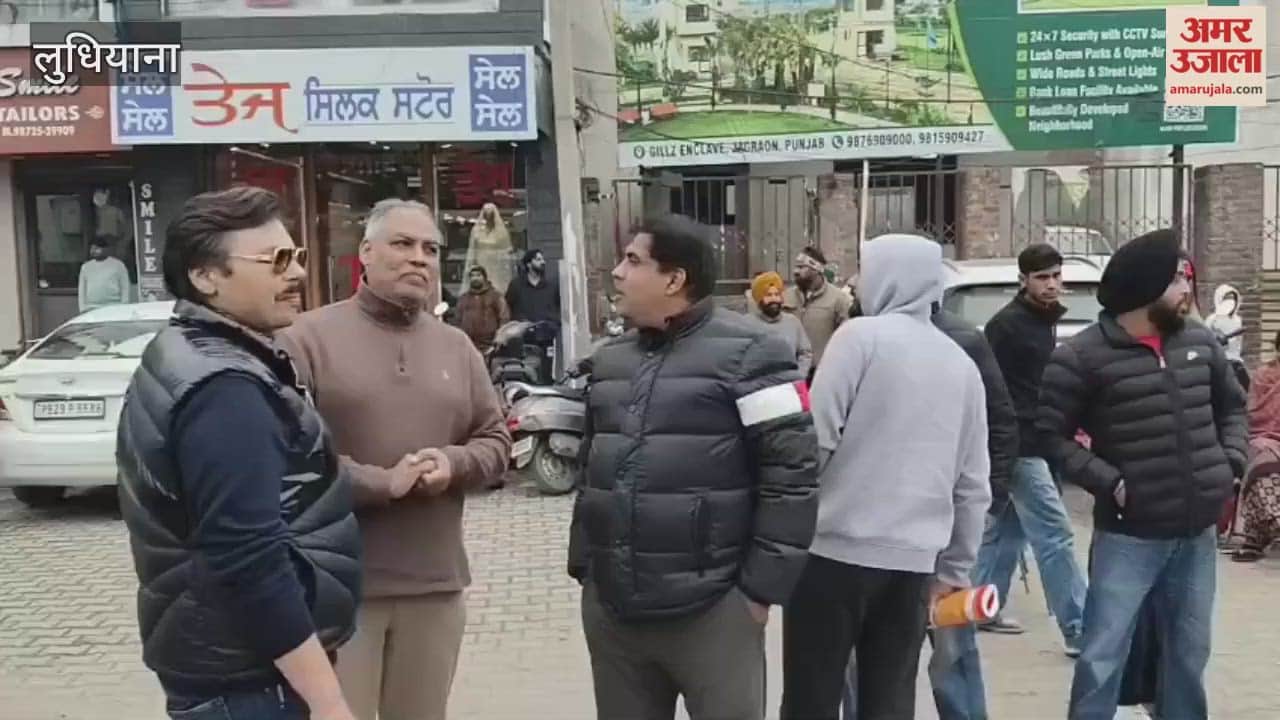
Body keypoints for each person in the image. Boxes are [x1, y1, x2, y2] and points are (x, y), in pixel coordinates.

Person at [116, 186, 361, 720]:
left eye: (296, 257)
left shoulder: (191, 353)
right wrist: (328, 701)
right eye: (274, 261)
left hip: (228, 664)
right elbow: (248, 556)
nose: (296, 273)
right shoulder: (225, 387)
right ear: (206, 276)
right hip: (251, 682)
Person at [568, 214, 819, 720]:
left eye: (633, 261)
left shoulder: (758, 353)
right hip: (615, 612)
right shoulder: (609, 361)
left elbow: (793, 478)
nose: (616, 272)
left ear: (674, 279)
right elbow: (591, 469)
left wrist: (758, 593)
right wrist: (587, 569)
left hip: (714, 610)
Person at [277, 199, 511, 720]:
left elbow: (496, 441)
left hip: (435, 585)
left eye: (430, 249)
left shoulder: (457, 347)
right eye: (402, 245)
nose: (419, 259)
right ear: (365, 252)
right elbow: (287, 456)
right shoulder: (306, 339)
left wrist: (454, 463)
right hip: (338, 588)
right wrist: (380, 483)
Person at [1038, 229, 1248, 720]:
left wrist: (1230, 465)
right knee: (1102, 655)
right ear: (1144, 288)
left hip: (1196, 533)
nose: (1186, 290)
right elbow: (1051, 436)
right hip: (1128, 536)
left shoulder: (1200, 341)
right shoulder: (1080, 357)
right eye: (1176, 279)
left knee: (1188, 653)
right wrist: (1111, 481)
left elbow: (1232, 410)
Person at [782, 234, 990, 720]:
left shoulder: (858, 338)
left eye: (865, 268)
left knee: (811, 697)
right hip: (913, 566)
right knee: (890, 701)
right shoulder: (961, 365)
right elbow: (972, 485)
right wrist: (954, 573)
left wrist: (784, 528)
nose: (856, 281)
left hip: (832, 556)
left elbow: (817, 444)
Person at [843, 298, 1020, 720]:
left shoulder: (962, 340)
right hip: (872, 530)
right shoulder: (859, 338)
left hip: (941, 525)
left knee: (952, 647)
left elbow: (998, 422)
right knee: (865, 654)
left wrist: (984, 503)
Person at [974, 243, 1088, 650]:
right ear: (1023, 280)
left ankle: (978, 608)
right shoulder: (1007, 327)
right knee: (1055, 533)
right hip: (1019, 445)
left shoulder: (1042, 321)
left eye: (1057, 276)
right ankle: (1080, 629)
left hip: (1038, 440)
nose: (1052, 284)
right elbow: (994, 391)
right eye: (1042, 277)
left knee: (1008, 530)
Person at [1234, 329, 1280, 562]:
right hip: (1263, 437)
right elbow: (1254, 414)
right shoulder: (1264, 375)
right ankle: (1274, 525)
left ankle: (1256, 536)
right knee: (1265, 465)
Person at [784, 246, 853, 379]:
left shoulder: (838, 299)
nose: (795, 271)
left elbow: (847, 338)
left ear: (817, 269)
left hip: (822, 373)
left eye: (801, 267)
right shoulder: (786, 296)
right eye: (795, 266)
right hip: (790, 372)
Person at [745, 270, 813, 377]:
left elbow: (805, 353)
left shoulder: (792, 322)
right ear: (759, 299)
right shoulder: (746, 324)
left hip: (789, 385)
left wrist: (799, 376)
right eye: (768, 295)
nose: (774, 299)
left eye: (777, 294)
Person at [456, 265, 510, 353]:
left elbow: (504, 318)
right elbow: (457, 320)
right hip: (468, 345)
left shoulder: (495, 296)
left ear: (484, 278)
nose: (475, 278)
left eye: (478, 275)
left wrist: (500, 339)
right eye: (472, 276)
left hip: (490, 346)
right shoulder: (463, 298)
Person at [505, 248, 560, 325]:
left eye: (543, 259)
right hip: (524, 331)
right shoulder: (516, 285)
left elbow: (558, 307)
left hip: (546, 331)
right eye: (538, 259)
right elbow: (508, 306)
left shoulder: (551, 286)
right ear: (529, 264)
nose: (543, 262)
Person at [78, 235, 133, 311]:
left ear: (106, 249)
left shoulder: (118, 265)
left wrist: (124, 306)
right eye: (92, 248)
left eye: (97, 248)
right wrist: (82, 308)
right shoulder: (85, 267)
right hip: (91, 307)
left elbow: (125, 287)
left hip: (114, 306)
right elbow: (82, 290)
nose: (93, 251)